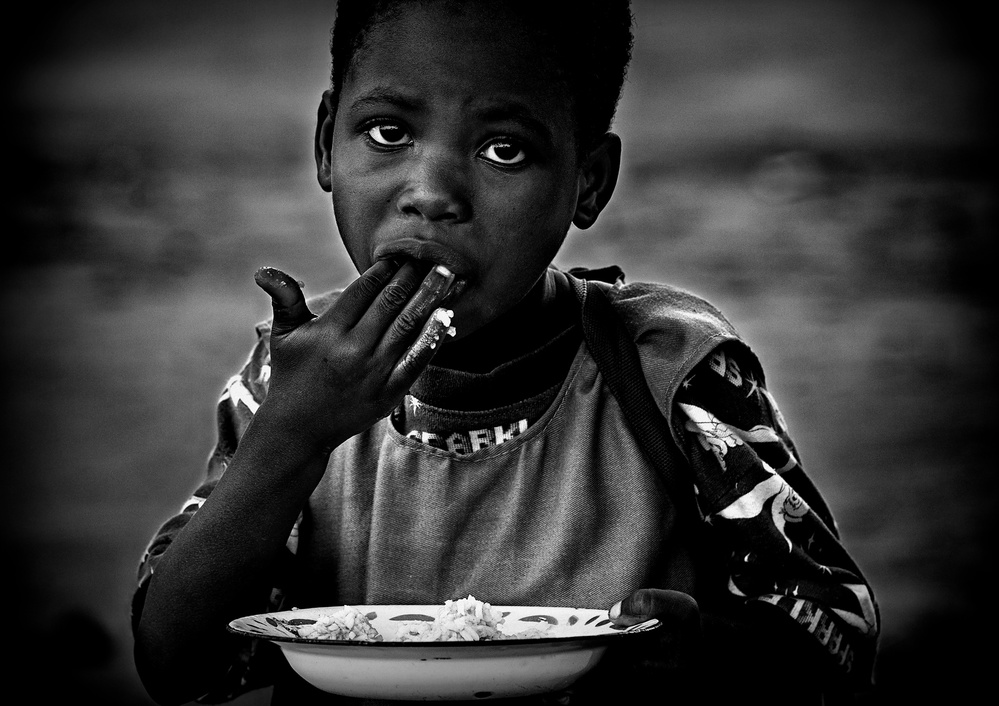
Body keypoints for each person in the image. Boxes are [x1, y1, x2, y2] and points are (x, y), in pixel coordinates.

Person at [131, 1, 879, 704]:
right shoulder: (291, 375)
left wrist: (707, 656)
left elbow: (839, 639)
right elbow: (177, 666)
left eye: (503, 149)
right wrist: (290, 438)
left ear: (587, 183)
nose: (431, 193)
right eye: (388, 133)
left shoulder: (667, 370)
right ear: (326, 139)